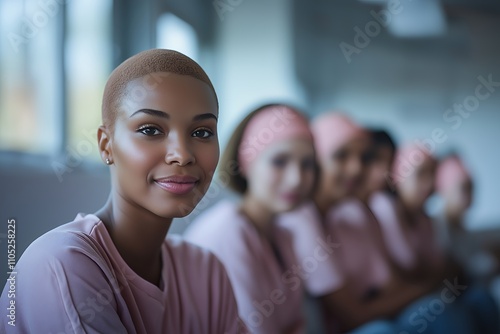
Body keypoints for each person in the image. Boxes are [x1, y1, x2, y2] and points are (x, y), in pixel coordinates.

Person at [0, 49, 246, 333]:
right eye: (151, 129)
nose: (182, 154)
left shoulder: (205, 271)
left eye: (202, 132)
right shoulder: (60, 264)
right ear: (106, 145)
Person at [184, 104, 324, 333]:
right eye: (279, 161)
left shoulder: (282, 234)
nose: (297, 179)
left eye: (307, 164)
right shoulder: (227, 231)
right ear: (246, 164)